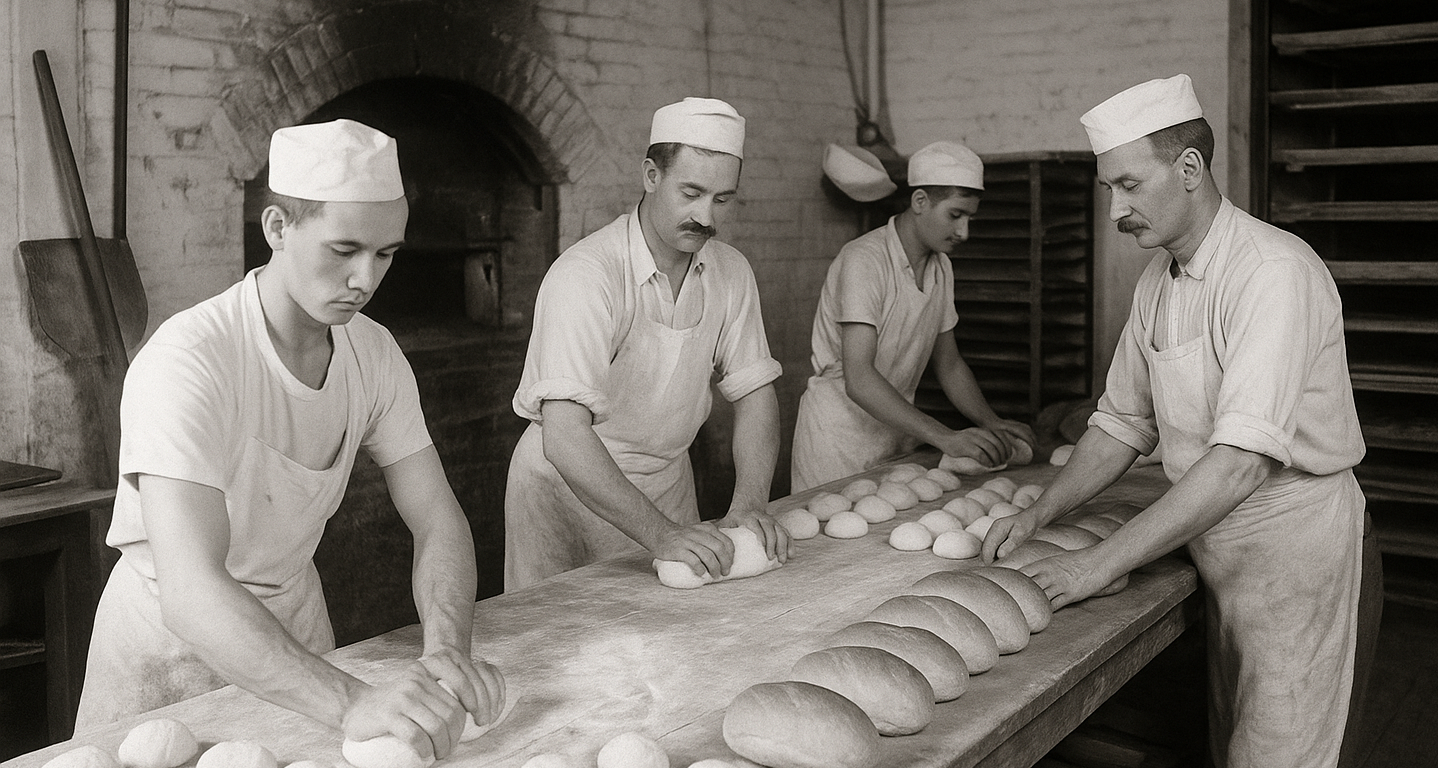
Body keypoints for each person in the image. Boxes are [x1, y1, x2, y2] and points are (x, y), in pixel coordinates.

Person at [980, 74, 1381, 768]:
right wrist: (1041, 512)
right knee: (1234, 744)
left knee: (1283, 754)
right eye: (1109, 190)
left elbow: (1241, 463)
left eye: (1129, 185)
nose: (1115, 210)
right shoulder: (1156, 284)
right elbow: (1119, 424)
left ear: (1189, 169)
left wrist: (1095, 566)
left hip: (1297, 555)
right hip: (1220, 549)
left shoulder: (1270, 272)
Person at [76, 120, 505, 760]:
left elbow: (437, 519)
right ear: (277, 229)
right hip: (169, 657)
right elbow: (191, 591)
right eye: (344, 249)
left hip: (297, 636)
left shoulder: (375, 355)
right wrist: (354, 700)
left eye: (386, 254)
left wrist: (446, 645)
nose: (366, 278)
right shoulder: (189, 360)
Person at [503, 97, 788, 592]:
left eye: (723, 199)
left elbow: (756, 393)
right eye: (692, 193)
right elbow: (566, 436)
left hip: (666, 485)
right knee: (561, 646)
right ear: (651, 176)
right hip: (568, 487)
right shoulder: (587, 274)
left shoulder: (731, 272)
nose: (706, 217)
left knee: (673, 648)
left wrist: (749, 503)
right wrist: (660, 534)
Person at [790, 141, 1035, 492]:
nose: (964, 232)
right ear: (920, 202)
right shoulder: (865, 260)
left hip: (895, 436)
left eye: (970, 218)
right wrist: (945, 437)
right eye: (955, 215)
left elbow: (948, 364)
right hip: (838, 442)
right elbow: (859, 378)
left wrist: (991, 422)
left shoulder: (941, 268)